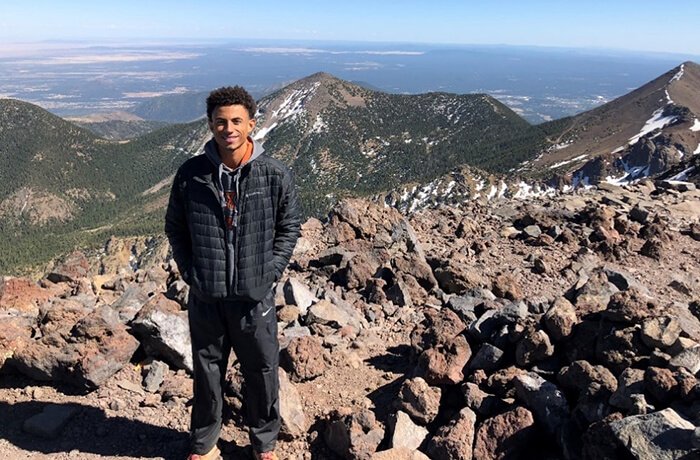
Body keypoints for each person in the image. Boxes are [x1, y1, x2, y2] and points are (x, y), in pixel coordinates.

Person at [165, 85, 301, 460]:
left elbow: (289, 226)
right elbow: (175, 227)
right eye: (221, 122)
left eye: (236, 121)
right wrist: (192, 271)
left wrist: (269, 271)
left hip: (254, 296)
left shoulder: (273, 175)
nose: (229, 129)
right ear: (210, 125)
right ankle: (205, 444)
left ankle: (264, 444)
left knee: (261, 370)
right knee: (207, 372)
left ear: (251, 124)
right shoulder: (191, 174)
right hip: (207, 295)